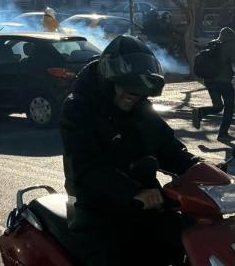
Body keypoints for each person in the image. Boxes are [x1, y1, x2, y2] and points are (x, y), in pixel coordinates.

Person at [61, 35, 198, 266]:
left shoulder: (140, 107)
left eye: (138, 92)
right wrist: (132, 192)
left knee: (186, 237)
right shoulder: (79, 108)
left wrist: (197, 166)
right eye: (127, 88)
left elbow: (167, 147)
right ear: (109, 80)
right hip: (97, 209)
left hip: (146, 205)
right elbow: (86, 168)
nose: (132, 96)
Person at [192, 27, 235, 142]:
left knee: (218, 106)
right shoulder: (230, 46)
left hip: (209, 81)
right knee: (229, 107)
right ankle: (223, 133)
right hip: (223, 82)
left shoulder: (212, 44)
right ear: (233, 36)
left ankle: (200, 112)